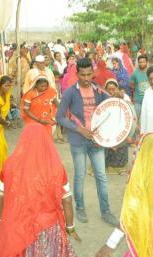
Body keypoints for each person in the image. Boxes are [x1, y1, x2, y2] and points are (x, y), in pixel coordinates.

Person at [0, 123, 86, 257]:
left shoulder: (10, 165)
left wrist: (0, 219)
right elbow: (67, 200)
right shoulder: (56, 167)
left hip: (20, 231)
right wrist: (70, 227)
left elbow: (1, 195)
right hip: (49, 231)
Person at [56, 58, 119, 226]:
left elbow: (111, 111)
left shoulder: (99, 91)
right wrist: (79, 129)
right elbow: (59, 117)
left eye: (89, 74)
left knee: (101, 176)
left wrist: (118, 97)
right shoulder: (70, 92)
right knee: (80, 175)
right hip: (78, 141)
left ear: (93, 73)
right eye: (82, 75)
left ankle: (105, 211)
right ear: (77, 74)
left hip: (96, 142)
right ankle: (80, 208)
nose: (85, 78)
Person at [103, 79, 131, 175]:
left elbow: (130, 113)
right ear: (105, 89)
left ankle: (119, 166)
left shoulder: (124, 97)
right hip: (107, 128)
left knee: (120, 145)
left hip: (121, 128)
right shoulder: (102, 98)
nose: (111, 92)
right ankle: (106, 165)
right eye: (108, 89)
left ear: (117, 89)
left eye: (113, 89)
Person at [129, 54, 149, 120]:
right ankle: (136, 130)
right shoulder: (135, 73)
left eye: (143, 62)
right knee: (135, 119)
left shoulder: (150, 72)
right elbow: (131, 85)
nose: (141, 63)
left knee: (148, 119)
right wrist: (136, 90)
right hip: (138, 101)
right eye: (140, 62)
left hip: (148, 101)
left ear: (147, 62)